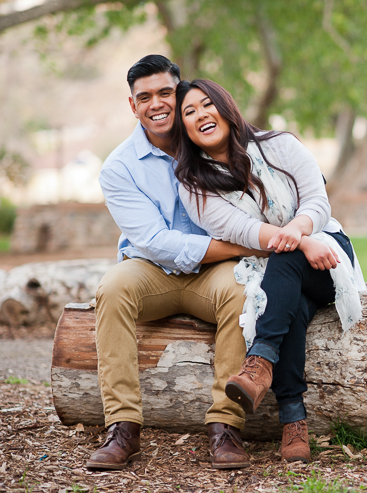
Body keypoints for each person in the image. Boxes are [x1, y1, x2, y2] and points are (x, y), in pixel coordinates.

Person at [173, 79, 366, 463]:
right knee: (287, 302)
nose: (200, 115)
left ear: (225, 107)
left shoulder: (281, 145)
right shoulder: (193, 184)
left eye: (206, 104)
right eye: (189, 113)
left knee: (284, 260)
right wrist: (295, 241)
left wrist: (300, 233)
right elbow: (240, 231)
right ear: (184, 129)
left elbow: (317, 201)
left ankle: (260, 363)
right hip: (270, 270)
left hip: (325, 255)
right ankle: (294, 423)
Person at [86, 55, 265, 471]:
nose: (157, 104)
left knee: (243, 292)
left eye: (165, 92)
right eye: (144, 97)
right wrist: (246, 247)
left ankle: (226, 427)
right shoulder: (119, 168)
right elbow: (155, 242)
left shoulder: (208, 138)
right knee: (112, 288)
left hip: (214, 274)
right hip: (151, 271)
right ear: (133, 106)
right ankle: (123, 428)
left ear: (178, 92)